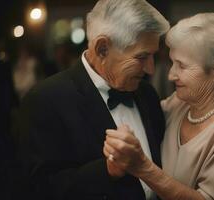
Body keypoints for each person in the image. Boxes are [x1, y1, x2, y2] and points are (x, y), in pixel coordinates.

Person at [13, 0, 169, 200]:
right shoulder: (44, 100)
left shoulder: (147, 93)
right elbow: (39, 188)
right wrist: (108, 169)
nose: (150, 69)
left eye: (153, 56)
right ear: (102, 48)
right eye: (141, 57)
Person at [104, 13, 214, 200]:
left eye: (182, 66)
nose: (171, 75)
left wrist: (143, 168)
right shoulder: (179, 103)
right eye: (172, 63)